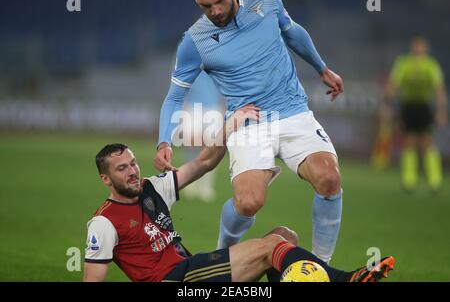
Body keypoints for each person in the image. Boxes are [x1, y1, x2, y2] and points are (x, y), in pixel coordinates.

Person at [83, 108, 395, 282]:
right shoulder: (104, 223)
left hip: (193, 271)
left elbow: (204, 162)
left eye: (133, 163)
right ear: (105, 179)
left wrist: (230, 125)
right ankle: (345, 280)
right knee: (272, 246)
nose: (133, 171)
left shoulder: (154, 188)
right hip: (177, 280)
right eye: (122, 169)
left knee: (284, 235)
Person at [154, 0, 345, 264]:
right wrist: (163, 141)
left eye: (219, 1)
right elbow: (174, 97)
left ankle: (320, 268)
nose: (214, 11)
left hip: (293, 112)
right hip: (248, 122)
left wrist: (321, 68)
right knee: (248, 202)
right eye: (205, 6)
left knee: (329, 178)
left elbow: (291, 31)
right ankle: (221, 258)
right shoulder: (195, 42)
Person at [383, 36, 447, 192]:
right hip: (409, 106)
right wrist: (387, 105)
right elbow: (393, 85)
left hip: (424, 106)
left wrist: (441, 110)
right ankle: (409, 181)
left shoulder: (431, 65)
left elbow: (438, 90)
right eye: (416, 47)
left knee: (427, 142)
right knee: (409, 141)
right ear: (412, 48)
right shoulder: (404, 63)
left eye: (421, 47)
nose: (418, 50)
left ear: (426, 49)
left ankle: (435, 181)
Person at [180, 71, 224, 202]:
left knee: (211, 147)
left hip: (214, 107)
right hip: (191, 106)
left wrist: (223, 106)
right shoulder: (187, 54)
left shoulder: (218, 55)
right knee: (192, 144)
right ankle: (189, 182)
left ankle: (206, 186)